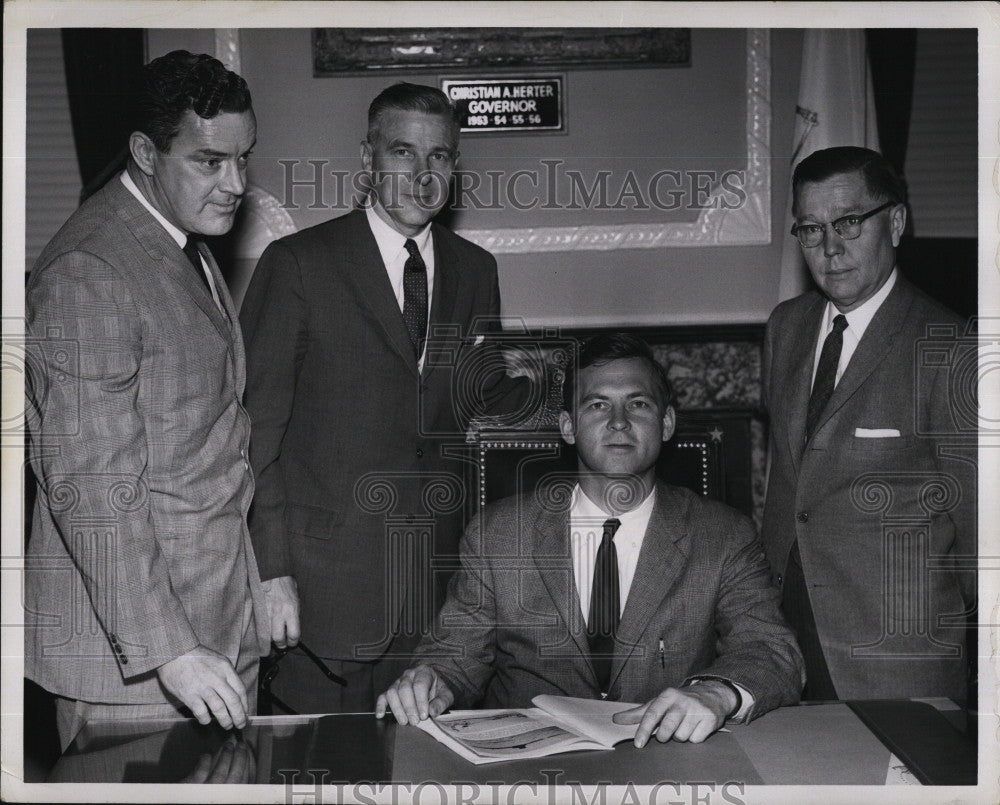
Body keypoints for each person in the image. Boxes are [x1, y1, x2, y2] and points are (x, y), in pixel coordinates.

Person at [240, 82, 531, 713]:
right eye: (403, 153)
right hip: (322, 604)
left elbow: (478, 401)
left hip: (438, 602)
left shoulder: (477, 270)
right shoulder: (298, 264)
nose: (423, 175)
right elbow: (253, 435)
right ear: (368, 159)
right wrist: (269, 572)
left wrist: (566, 396)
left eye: (442, 157)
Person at [377, 334, 803, 746]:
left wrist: (714, 692)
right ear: (567, 427)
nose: (619, 422)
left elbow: (770, 650)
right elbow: (455, 655)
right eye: (598, 405)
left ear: (667, 422)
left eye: (638, 403)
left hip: (667, 768)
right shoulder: (499, 535)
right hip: (531, 779)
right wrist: (432, 678)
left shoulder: (724, 536)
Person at [25, 50, 269, 750]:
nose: (236, 183)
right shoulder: (90, 269)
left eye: (244, 158)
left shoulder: (179, 239)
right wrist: (171, 651)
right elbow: (94, 487)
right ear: (144, 151)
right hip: (136, 668)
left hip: (215, 632)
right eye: (210, 161)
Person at [762, 146, 976, 701]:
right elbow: (789, 490)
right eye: (810, 230)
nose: (830, 248)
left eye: (849, 223)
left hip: (897, 664)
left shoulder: (953, 347)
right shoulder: (785, 327)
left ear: (897, 222)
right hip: (784, 648)